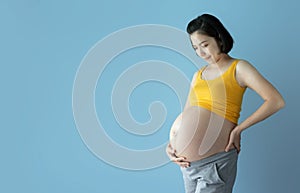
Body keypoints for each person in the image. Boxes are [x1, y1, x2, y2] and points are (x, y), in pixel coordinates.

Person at [166, 13, 285, 193]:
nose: (201, 52)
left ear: (219, 38)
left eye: (205, 45)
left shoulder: (238, 68)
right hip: (187, 166)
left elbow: (276, 101)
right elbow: (188, 113)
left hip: (215, 162)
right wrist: (171, 144)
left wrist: (238, 129)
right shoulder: (198, 75)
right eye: (196, 48)